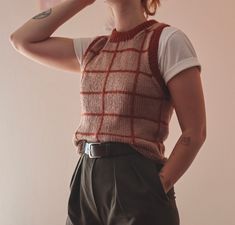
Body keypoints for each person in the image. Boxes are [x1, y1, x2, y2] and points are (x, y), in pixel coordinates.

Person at [9, 0, 207, 224]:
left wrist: (158, 186)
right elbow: (21, 40)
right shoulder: (94, 49)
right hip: (85, 177)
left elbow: (195, 131)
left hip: (136, 178)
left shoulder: (166, 41)